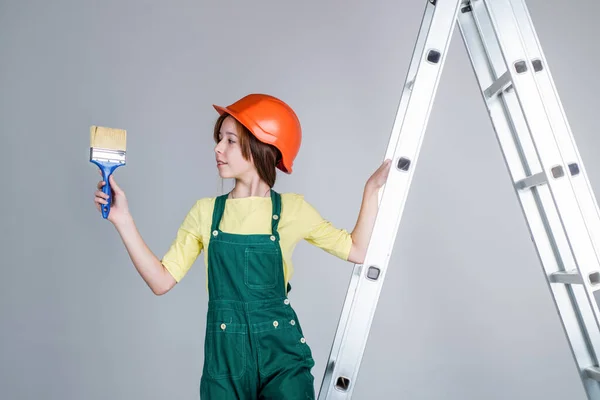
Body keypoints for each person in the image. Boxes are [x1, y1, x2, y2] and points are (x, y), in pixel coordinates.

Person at [93, 93, 391, 399]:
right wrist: (123, 220)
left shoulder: (292, 210)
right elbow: (160, 281)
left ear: (261, 145)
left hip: (282, 359)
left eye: (230, 140)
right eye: (219, 138)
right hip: (225, 363)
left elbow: (356, 250)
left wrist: (371, 190)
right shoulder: (205, 212)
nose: (218, 148)